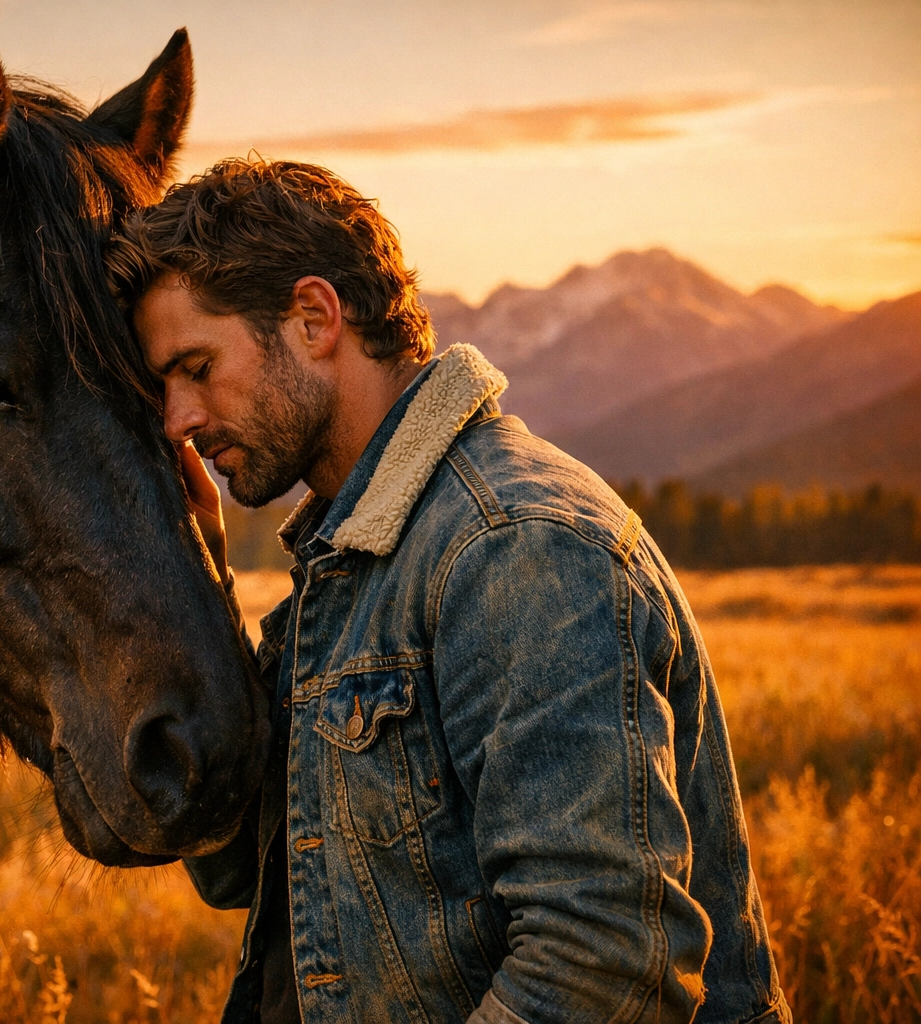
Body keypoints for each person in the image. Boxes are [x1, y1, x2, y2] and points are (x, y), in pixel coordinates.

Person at [106, 159, 791, 1024]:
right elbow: (239, 862)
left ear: (315, 318)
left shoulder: (511, 547)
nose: (179, 420)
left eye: (196, 367)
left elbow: (605, 960)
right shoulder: (355, 558)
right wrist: (193, 576)